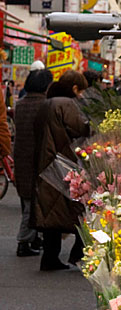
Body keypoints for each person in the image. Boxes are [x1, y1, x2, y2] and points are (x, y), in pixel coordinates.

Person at [32, 70, 90, 270]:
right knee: (80, 211)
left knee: (51, 214)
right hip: (63, 164)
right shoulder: (66, 104)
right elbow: (79, 128)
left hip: (46, 163)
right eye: (81, 90)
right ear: (74, 88)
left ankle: (50, 258)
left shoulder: (47, 103)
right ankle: (78, 254)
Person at [13, 69, 54, 257]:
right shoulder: (46, 105)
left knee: (27, 201)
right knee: (32, 206)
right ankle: (23, 241)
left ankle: (32, 239)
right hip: (38, 158)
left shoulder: (19, 105)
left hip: (21, 157)